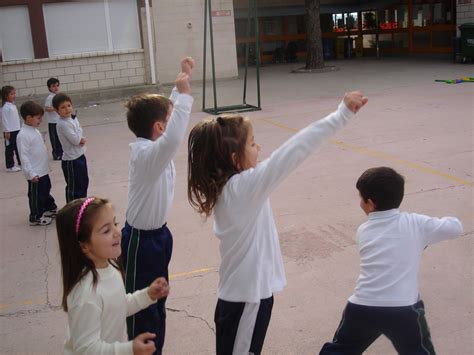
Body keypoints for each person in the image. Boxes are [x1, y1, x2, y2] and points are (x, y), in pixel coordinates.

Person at [187, 92, 368, 354]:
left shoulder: (232, 187)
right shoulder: (243, 189)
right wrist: (341, 115)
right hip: (246, 300)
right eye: (252, 143)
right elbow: (292, 152)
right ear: (235, 159)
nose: (258, 148)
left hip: (244, 297)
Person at [319, 166, 464, 355]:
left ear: (370, 203)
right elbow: (456, 228)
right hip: (404, 310)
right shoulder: (416, 223)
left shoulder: (364, 230)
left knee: (341, 349)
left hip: (362, 306)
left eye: (360, 198)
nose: (360, 202)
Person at [121, 57, 194, 354]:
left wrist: (182, 81)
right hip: (141, 241)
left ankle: (155, 349)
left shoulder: (152, 147)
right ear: (159, 127)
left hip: (159, 236)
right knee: (144, 308)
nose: (174, 116)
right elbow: (175, 136)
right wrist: (186, 96)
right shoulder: (146, 156)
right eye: (169, 115)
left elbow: (169, 121)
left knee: (158, 299)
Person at [56, 197, 170, 355]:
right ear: (84, 245)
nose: (117, 232)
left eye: (115, 223)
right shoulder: (86, 294)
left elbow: (118, 306)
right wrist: (129, 349)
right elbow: (86, 349)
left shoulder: (110, 268)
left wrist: (147, 295)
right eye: (106, 230)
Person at [17, 101, 57, 226]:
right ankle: (35, 216)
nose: (40, 121)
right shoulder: (23, 135)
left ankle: (49, 208)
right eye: (38, 118)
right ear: (28, 118)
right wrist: (31, 173)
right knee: (36, 195)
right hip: (34, 173)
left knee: (45, 190)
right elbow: (23, 156)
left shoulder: (34, 130)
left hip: (42, 170)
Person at [53, 93, 88, 202]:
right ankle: (72, 211)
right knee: (74, 188)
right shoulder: (62, 124)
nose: (67, 109)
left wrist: (79, 137)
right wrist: (80, 137)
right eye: (63, 107)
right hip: (71, 160)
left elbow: (78, 135)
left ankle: (82, 207)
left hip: (80, 155)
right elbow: (75, 140)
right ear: (56, 110)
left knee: (83, 182)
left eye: (68, 105)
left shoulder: (72, 118)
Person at [1, 85, 22, 172]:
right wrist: (7, 131)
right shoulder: (5, 107)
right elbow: (5, 120)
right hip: (10, 131)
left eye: (14, 93)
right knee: (9, 148)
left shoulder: (12, 105)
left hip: (16, 129)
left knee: (18, 147)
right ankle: (10, 165)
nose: (14, 95)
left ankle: (21, 162)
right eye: (11, 94)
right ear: (6, 96)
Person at [44, 77, 63, 160]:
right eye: (53, 86)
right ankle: (56, 154)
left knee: (60, 138)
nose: (56, 88)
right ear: (49, 88)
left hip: (59, 120)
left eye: (57, 86)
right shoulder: (50, 97)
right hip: (52, 122)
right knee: (54, 139)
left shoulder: (57, 96)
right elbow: (46, 108)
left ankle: (61, 152)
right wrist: (55, 109)